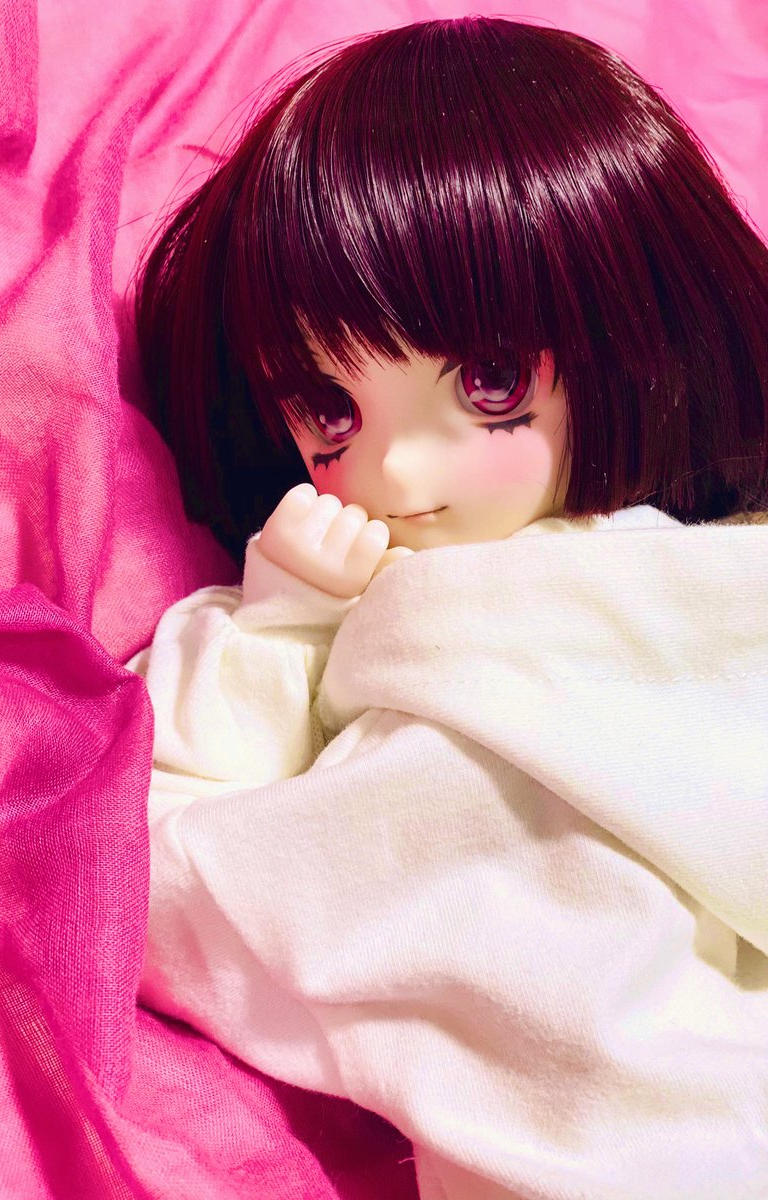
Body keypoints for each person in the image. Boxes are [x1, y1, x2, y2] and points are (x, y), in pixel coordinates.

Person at [129, 17, 768, 1199]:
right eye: (329, 410)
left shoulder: (683, 594)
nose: (402, 474)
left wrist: (282, 633)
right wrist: (285, 617)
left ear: (638, 340)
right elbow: (172, 868)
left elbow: (170, 886)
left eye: (490, 383)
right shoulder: (378, 622)